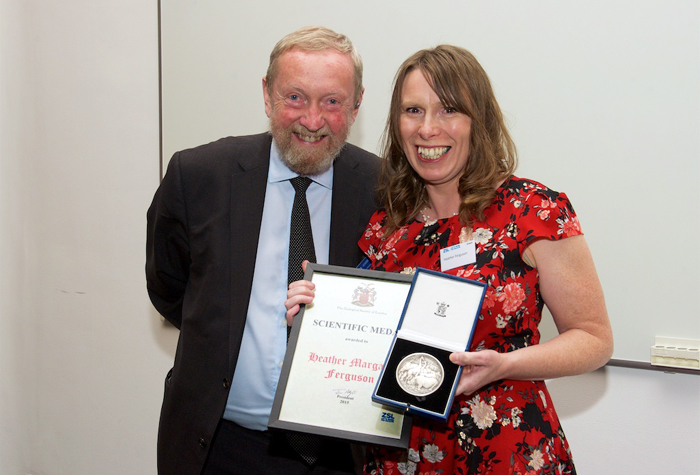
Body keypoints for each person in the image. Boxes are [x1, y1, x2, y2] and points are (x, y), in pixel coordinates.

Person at [286, 45, 613, 474]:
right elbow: (365, 338)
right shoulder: (385, 225)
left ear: (479, 120)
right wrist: (313, 318)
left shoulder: (532, 210)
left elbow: (594, 339)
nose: (427, 129)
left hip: (506, 450)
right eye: (413, 110)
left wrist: (506, 365)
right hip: (399, 456)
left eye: (448, 111)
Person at [146, 26, 380, 475]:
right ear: (267, 95)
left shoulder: (382, 189)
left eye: (332, 101)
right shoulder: (197, 176)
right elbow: (169, 289)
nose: (312, 120)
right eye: (295, 97)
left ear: (356, 104)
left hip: (339, 454)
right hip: (218, 447)